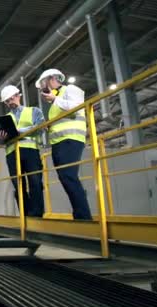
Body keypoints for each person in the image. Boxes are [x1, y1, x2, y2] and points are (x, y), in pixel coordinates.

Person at [36, 69, 92, 220]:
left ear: (53, 78)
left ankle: (83, 216)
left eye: (43, 83)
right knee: (65, 178)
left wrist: (55, 99)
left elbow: (77, 107)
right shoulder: (56, 101)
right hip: (58, 143)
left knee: (69, 176)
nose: (42, 87)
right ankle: (80, 214)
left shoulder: (70, 89)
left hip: (71, 139)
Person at [0, 85, 45, 217]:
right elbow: (1, 142)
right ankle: (26, 214)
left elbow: (40, 128)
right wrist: (1, 138)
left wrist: (18, 131)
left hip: (30, 151)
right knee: (18, 185)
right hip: (12, 153)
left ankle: (37, 214)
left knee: (35, 182)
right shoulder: (5, 119)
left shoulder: (34, 111)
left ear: (18, 96)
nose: (9, 103)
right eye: (6, 102)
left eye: (10, 99)